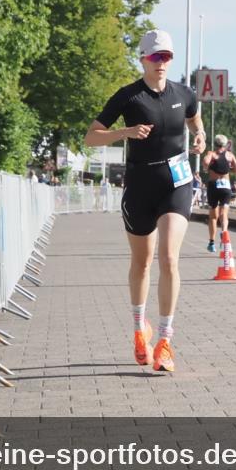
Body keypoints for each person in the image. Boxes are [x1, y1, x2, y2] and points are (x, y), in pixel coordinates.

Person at [84, 29, 205, 373]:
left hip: (176, 182)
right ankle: (140, 330)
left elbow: (196, 122)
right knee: (143, 261)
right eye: (156, 57)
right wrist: (125, 132)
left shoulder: (184, 94)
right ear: (143, 59)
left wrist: (199, 137)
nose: (162, 63)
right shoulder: (128, 97)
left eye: (167, 57)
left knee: (169, 256)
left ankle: (165, 340)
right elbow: (91, 136)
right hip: (139, 183)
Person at [202, 134, 236, 252]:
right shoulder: (230, 156)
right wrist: (229, 168)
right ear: (225, 145)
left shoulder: (212, 154)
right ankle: (224, 232)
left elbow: (205, 162)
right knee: (224, 214)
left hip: (213, 186)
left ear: (215, 144)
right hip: (225, 187)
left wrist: (207, 166)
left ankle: (211, 243)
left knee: (213, 217)